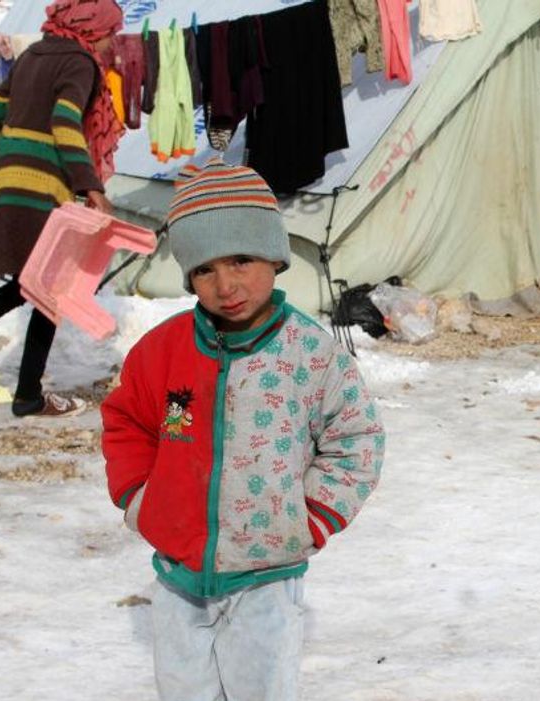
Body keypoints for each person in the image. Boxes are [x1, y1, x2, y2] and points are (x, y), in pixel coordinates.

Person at [101, 158, 386, 701]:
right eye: (204, 269)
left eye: (241, 259)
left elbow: (357, 440)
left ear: (274, 257)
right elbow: (127, 420)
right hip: (178, 575)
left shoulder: (310, 354)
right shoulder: (163, 351)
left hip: (267, 576)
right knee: (183, 689)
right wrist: (140, 498)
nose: (226, 284)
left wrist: (314, 516)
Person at [0, 0, 125, 417]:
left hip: (7, 181)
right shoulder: (79, 64)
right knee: (49, 287)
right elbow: (65, 122)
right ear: (90, 29)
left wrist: (2, 162)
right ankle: (20, 390)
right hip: (40, 187)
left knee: (35, 285)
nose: (112, 40)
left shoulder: (34, 53)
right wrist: (91, 186)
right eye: (110, 31)